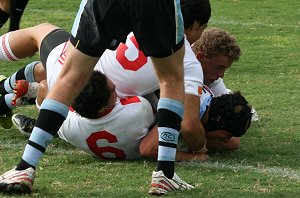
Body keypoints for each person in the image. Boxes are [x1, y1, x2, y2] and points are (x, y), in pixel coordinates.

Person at [0, 0, 212, 194]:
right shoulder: (187, 63)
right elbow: (188, 123)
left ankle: (25, 166)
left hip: (83, 93)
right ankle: (164, 173)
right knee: (171, 79)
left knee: (68, 76)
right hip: (114, 112)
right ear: (194, 25)